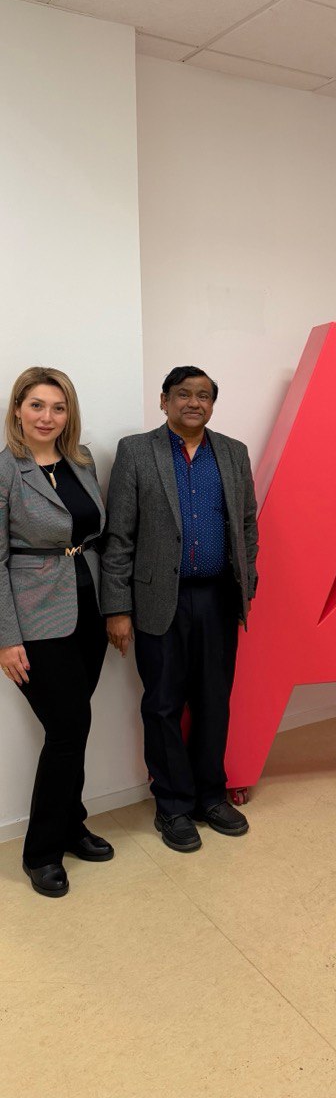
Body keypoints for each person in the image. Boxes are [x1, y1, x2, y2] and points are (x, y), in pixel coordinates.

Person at [101, 366, 258, 853]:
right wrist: (117, 608)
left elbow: (247, 524)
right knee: (163, 704)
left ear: (212, 404)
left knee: (213, 700)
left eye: (204, 396)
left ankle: (210, 796)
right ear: (164, 400)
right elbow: (119, 536)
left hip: (217, 598)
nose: (194, 403)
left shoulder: (232, 452)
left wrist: (247, 581)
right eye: (184, 394)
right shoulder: (136, 452)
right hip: (156, 601)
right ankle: (172, 805)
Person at [0, 368, 112, 898]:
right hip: (34, 620)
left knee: (76, 726)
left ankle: (71, 825)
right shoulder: (5, 471)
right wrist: (6, 638)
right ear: (18, 410)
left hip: (87, 608)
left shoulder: (81, 460)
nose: (47, 417)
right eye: (37, 405)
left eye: (58, 407)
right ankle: (42, 852)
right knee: (67, 728)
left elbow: (97, 533)